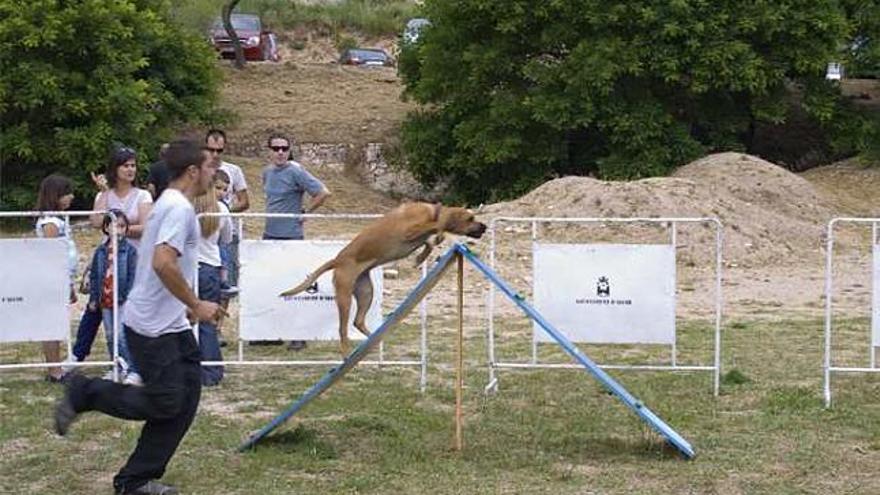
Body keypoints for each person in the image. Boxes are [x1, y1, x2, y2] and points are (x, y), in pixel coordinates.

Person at [54, 139, 223, 495]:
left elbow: (164, 261)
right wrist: (197, 303)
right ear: (192, 171)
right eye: (209, 165)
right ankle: (85, 391)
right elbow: (163, 262)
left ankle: (136, 480)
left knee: (185, 401)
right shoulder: (177, 208)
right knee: (166, 401)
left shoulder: (171, 204)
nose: (215, 171)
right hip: (152, 327)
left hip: (171, 324)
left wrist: (187, 309)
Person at [70, 146, 153, 382]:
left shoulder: (142, 196)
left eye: (133, 165)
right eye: (125, 165)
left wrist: (121, 230)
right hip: (107, 261)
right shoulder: (103, 196)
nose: (130, 170)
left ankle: (134, 366)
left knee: (130, 314)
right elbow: (97, 222)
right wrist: (105, 193)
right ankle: (115, 362)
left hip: (133, 261)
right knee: (104, 311)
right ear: (115, 169)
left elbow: (147, 227)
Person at [262, 133, 331, 350]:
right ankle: (273, 332)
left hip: (291, 235)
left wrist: (306, 213)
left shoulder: (296, 171)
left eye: (284, 148)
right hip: (270, 234)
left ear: (290, 150)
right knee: (272, 284)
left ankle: (299, 334)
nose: (280, 152)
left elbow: (322, 192)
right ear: (269, 151)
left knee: (296, 285)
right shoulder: (267, 172)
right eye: (276, 148)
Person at [87, 211, 140, 385]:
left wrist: (130, 297)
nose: (118, 230)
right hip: (105, 299)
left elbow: (134, 275)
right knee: (110, 335)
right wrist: (94, 298)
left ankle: (133, 369)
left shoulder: (130, 251)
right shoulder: (101, 251)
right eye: (114, 225)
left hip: (123, 299)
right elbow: (95, 275)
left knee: (123, 334)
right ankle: (115, 365)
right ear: (106, 227)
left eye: (122, 226)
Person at [35, 174, 77, 383]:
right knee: (51, 326)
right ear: (56, 195)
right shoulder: (50, 222)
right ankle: (54, 370)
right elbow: (50, 252)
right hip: (52, 280)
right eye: (66, 193)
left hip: (60, 279)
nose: (71, 197)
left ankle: (56, 366)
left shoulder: (59, 220)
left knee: (57, 325)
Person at [193, 181, 232, 386]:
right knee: (208, 323)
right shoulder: (222, 209)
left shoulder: (187, 207)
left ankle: (198, 369)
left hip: (190, 268)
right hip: (210, 267)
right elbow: (227, 238)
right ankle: (212, 370)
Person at [205, 129, 249, 290]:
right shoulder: (197, 169)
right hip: (204, 232)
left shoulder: (234, 170)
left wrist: (224, 211)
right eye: (211, 150)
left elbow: (245, 202)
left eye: (219, 150)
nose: (215, 154)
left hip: (226, 231)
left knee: (227, 281)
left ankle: (222, 315)